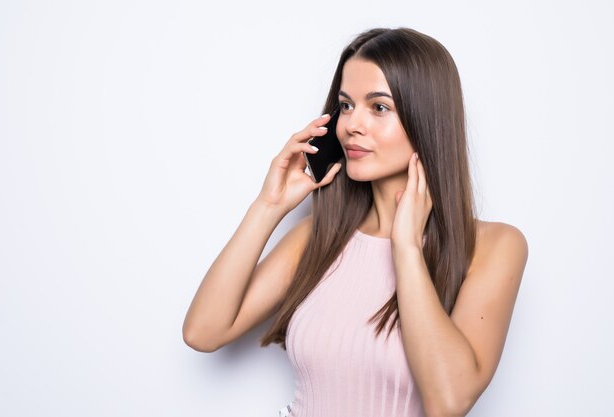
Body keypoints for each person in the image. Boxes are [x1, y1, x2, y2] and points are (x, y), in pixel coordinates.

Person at [182, 26, 529, 417]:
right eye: (346, 105)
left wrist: (407, 248)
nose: (351, 126)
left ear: (426, 120)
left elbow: (448, 402)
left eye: (378, 107)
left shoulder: (493, 246)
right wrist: (268, 206)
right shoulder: (320, 236)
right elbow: (203, 332)